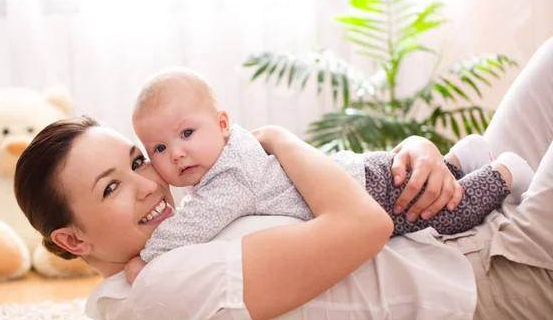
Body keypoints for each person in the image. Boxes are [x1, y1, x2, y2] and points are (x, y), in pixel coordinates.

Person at [14, 37, 553, 320]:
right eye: (110, 188)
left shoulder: (184, 235)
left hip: (458, 217)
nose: (151, 183)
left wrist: (415, 151)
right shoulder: (163, 290)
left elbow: (334, 192)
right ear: (72, 240)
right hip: (501, 270)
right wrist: (276, 136)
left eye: (136, 163)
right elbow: (363, 225)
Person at [124, 67, 533, 283]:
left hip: (367, 191)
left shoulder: (232, 175)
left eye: (187, 133)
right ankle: (462, 160)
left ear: (223, 124)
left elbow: (196, 224)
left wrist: (146, 259)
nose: (176, 153)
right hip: (359, 174)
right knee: (428, 193)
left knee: (445, 217)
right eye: (158, 148)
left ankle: (505, 172)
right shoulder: (229, 164)